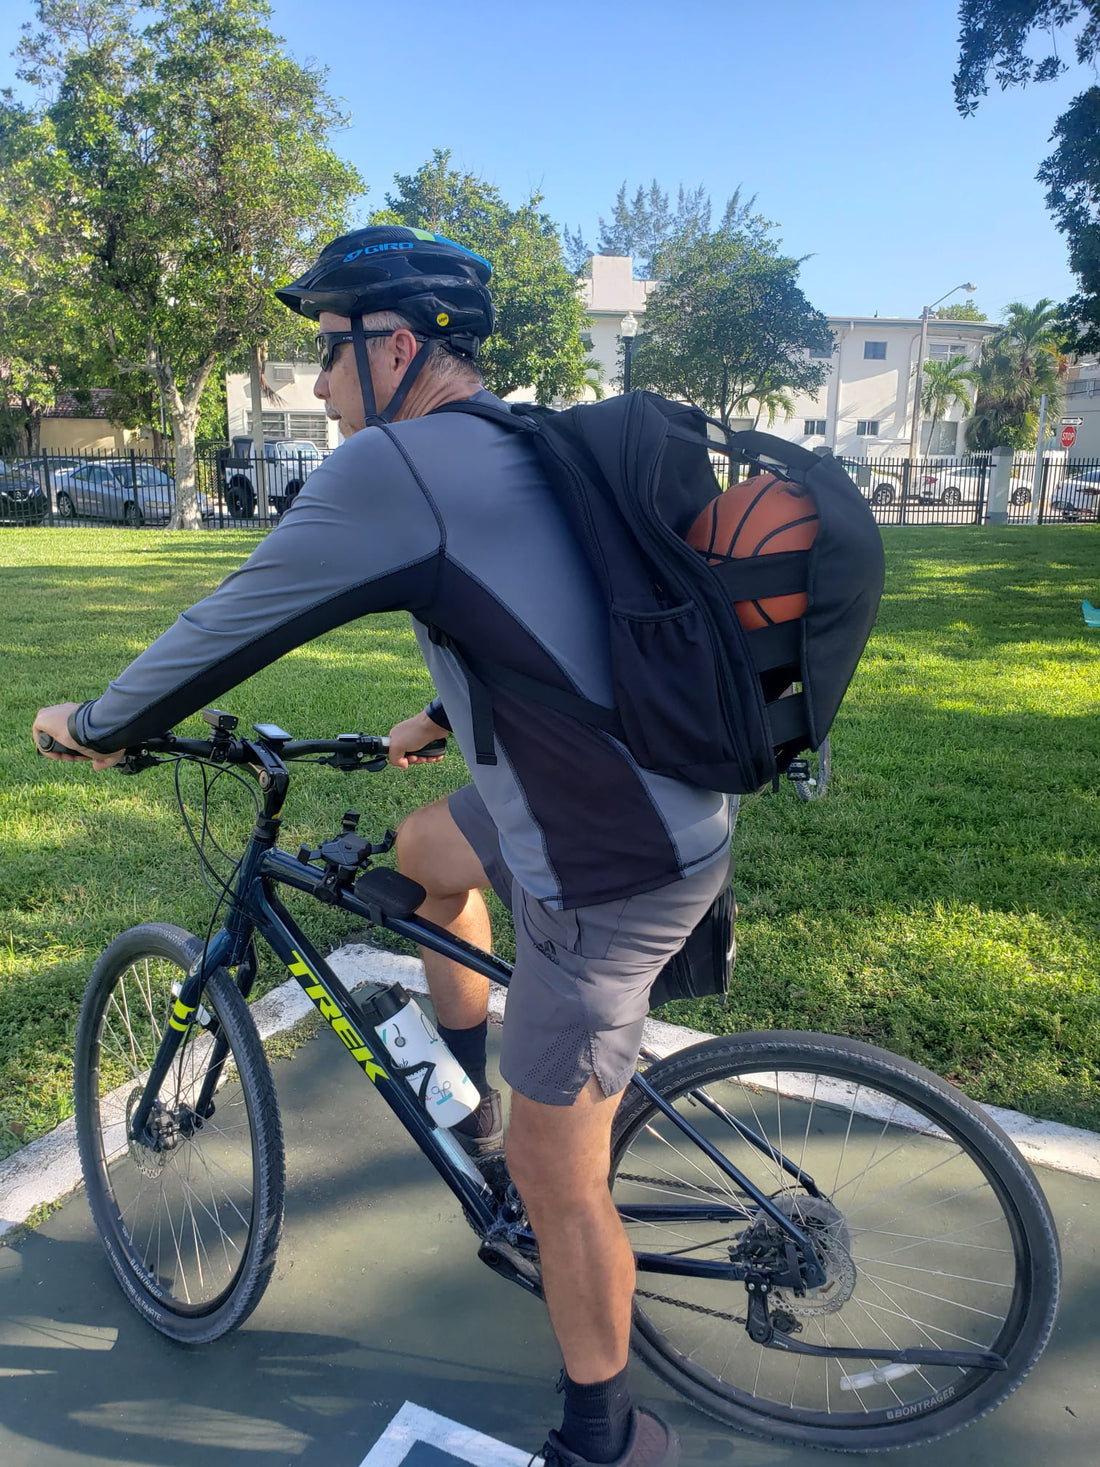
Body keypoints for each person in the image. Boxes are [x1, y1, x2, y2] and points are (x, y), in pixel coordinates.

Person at [33, 225, 735, 1467]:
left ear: (396, 345)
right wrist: (437, 714)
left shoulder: (393, 468)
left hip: (603, 853)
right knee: (423, 849)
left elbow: (232, 618)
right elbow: (544, 606)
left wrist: (97, 724)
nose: (315, 382)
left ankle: (607, 1435)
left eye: (326, 351)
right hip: (627, 794)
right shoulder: (524, 440)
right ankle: (467, 1117)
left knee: (559, 1175)